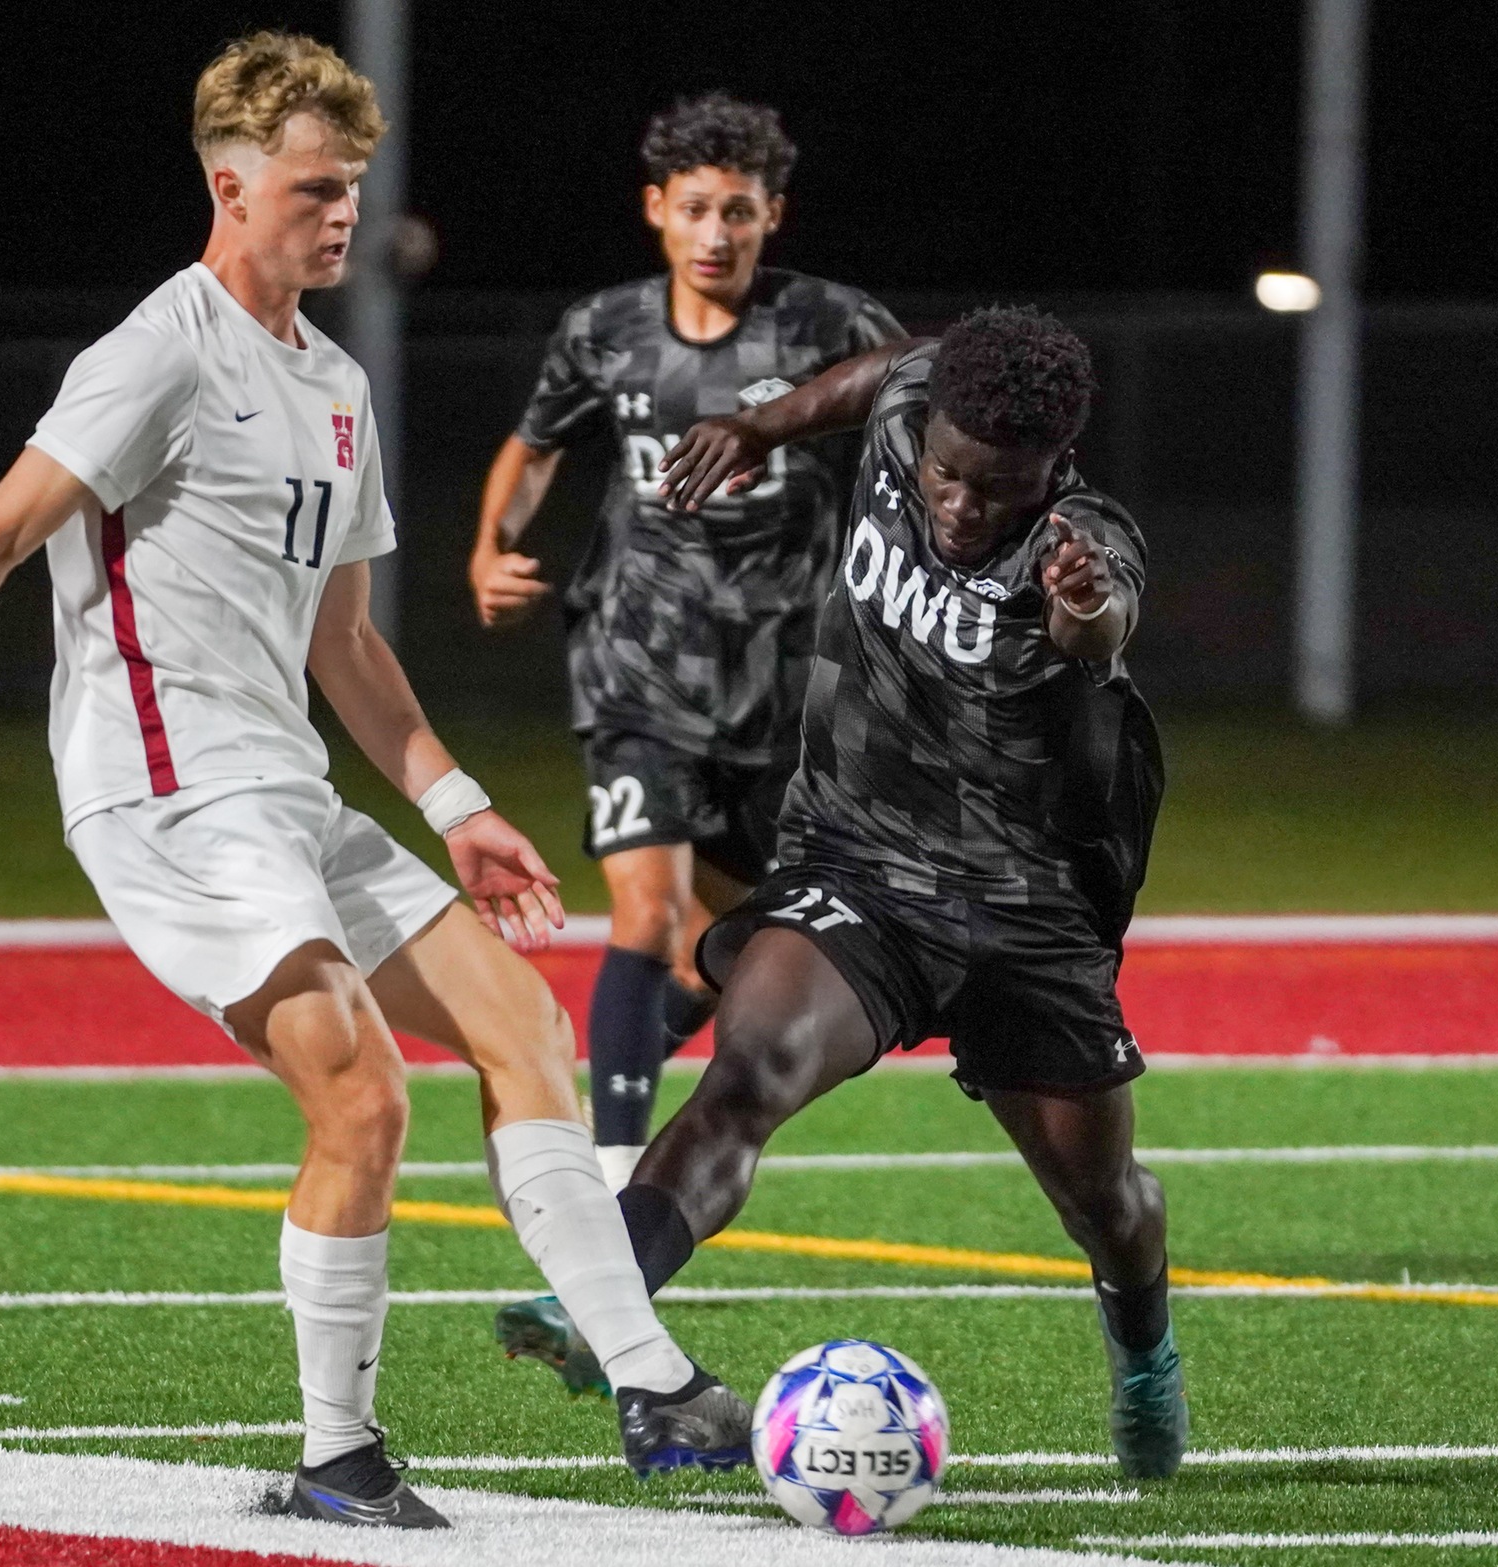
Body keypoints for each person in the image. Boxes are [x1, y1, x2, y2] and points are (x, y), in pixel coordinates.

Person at [0, 31, 755, 1530]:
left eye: (349, 187)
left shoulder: (335, 384)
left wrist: (456, 799)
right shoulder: (159, 347)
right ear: (227, 186)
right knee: (357, 1086)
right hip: (161, 794)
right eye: (308, 188)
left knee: (520, 1022)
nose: (337, 214)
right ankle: (337, 1453)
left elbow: (345, 642)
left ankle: (642, 1374)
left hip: (283, 793)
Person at [502, 306, 1187, 1479]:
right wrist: (763, 425)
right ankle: (605, 1308)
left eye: (998, 490)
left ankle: (1143, 1360)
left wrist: (1083, 608)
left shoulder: (1081, 536)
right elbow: (876, 374)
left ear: (1050, 472)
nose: (962, 507)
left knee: (1105, 1205)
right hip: (856, 863)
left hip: (1024, 914)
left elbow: (1100, 621)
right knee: (746, 1076)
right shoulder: (914, 400)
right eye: (948, 476)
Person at [467, 94, 903, 1199]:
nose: (716, 233)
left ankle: (594, 1085)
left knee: (730, 952)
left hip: (785, 685)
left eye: (739, 212)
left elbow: (925, 405)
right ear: (655, 209)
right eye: (696, 208)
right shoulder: (603, 330)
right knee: (645, 909)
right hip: (637, 662)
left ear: (772, 218)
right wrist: (488, 548)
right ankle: (609, 1177)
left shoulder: (826, 326)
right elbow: (532, 448)